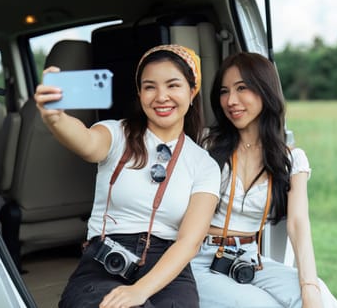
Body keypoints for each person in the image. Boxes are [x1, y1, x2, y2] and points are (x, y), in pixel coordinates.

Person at [34, 44, 221, 308]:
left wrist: (140, 291)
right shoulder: (117, 133)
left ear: (192, 92)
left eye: (173, 85)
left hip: (168, 266)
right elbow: (87, 142)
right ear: (140, 93)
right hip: (105, 258)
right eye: (150, 86)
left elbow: (189, 242)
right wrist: (56, 118)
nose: (161, 96)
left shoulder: (205, 165)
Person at [191, 52, 337, 308]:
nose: (231, 100)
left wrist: (309, 287)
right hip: (200, 257)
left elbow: (298, 224)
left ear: (265, 90)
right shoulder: (206, 145)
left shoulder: (291, 160)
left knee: (322, 300)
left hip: (251, 260)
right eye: (224, 91)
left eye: (242, 88)